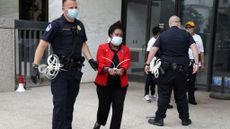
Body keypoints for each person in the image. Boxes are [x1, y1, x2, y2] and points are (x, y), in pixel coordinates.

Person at [30, 0, 98, 128]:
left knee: (69, 104)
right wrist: (35, 66)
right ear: (63, 8)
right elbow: (42, 45)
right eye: (70, 7)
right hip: (60, 72)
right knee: (60, 104)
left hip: (75, 72)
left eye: (76, 7)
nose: (74, 9)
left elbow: (83, 44)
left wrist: (91, 60)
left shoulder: (80, 25)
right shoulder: (56, 25)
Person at [144, 15, 199, 126]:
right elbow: (194, 48)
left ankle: (159, 119)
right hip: (182, 71)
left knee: (164, 95)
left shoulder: (163, 35)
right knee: (181, 95)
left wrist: (147, 64)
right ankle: (185, 119)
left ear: (170, 24)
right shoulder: (186, 34)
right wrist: (196, 64)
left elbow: (153, 49)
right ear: (179, 23)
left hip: (166, 71)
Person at [93, 21, 130, 129]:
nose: (119, 37)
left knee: (118, 109)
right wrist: (108, 69)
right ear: (111, 35)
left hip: (120, 84)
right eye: (116, 34)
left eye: (121, 35)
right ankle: (99, 122)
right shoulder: (102, 47)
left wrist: (122, 70)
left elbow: (126, 62)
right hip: (104, 84)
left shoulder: (125, 49)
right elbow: (100, 62)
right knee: (104, 107)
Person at [185, 21, 205, 105]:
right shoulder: (183, 36)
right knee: (182, 81)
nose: (189, 29)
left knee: (192, 81)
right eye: (187, 27)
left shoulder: (198, 38)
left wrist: (203, 63)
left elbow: (201, 51)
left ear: (194, 28)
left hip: (194, 63)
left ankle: (191, 98)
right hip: (184, 62)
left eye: (191, 27)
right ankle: (181, 98)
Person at [144, 26, 161, 102]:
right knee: (149, 79)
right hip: (151, 62)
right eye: (160, 32)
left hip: (155, 63)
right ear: (157, 33)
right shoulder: (152, 41)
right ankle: (146, 94)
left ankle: (153, 93)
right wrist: (147, 63)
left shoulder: (157, 40)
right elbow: (148, 52)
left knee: (154, 79)